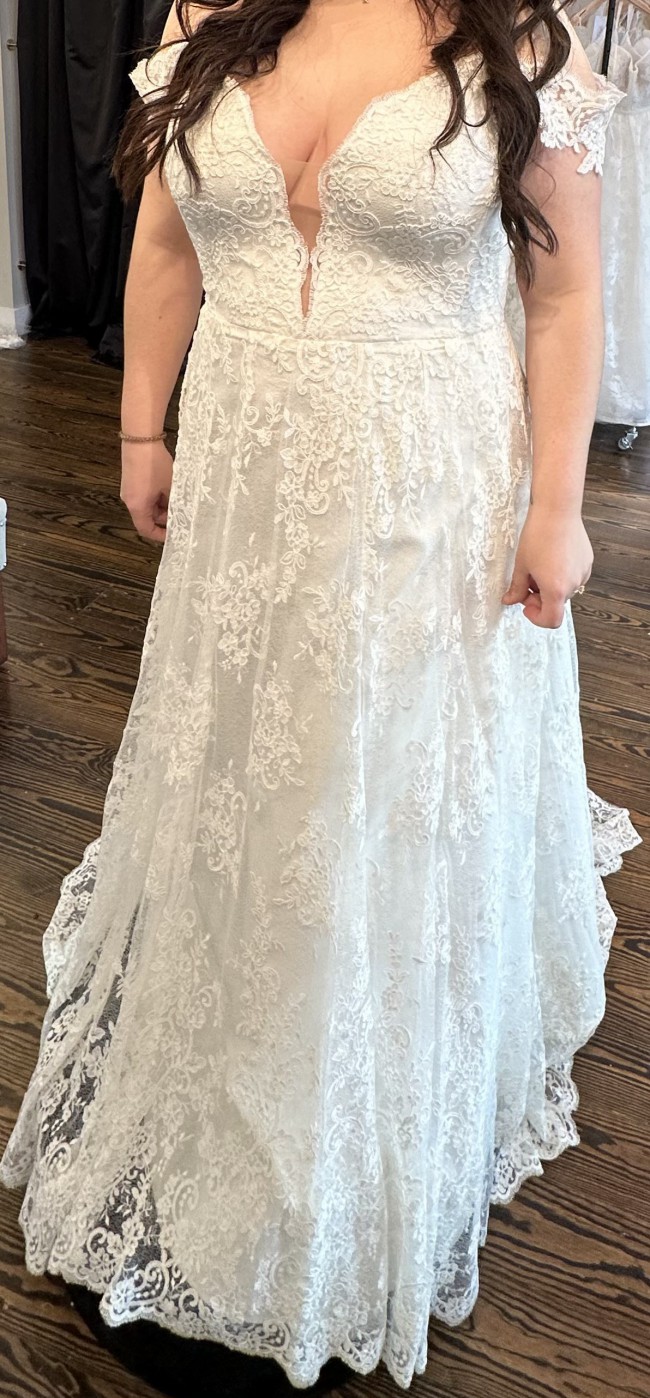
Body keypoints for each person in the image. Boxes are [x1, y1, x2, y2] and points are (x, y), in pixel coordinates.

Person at [0, 0, 642, 1389]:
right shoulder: (207, 17)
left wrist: (556, 506)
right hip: (247, 470)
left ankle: (348, 1100)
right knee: (247, 762)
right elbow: (168, 241)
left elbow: (562, 291)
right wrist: (139, 424)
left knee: (378, 786)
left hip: (427, 486)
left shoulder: (519, 45)